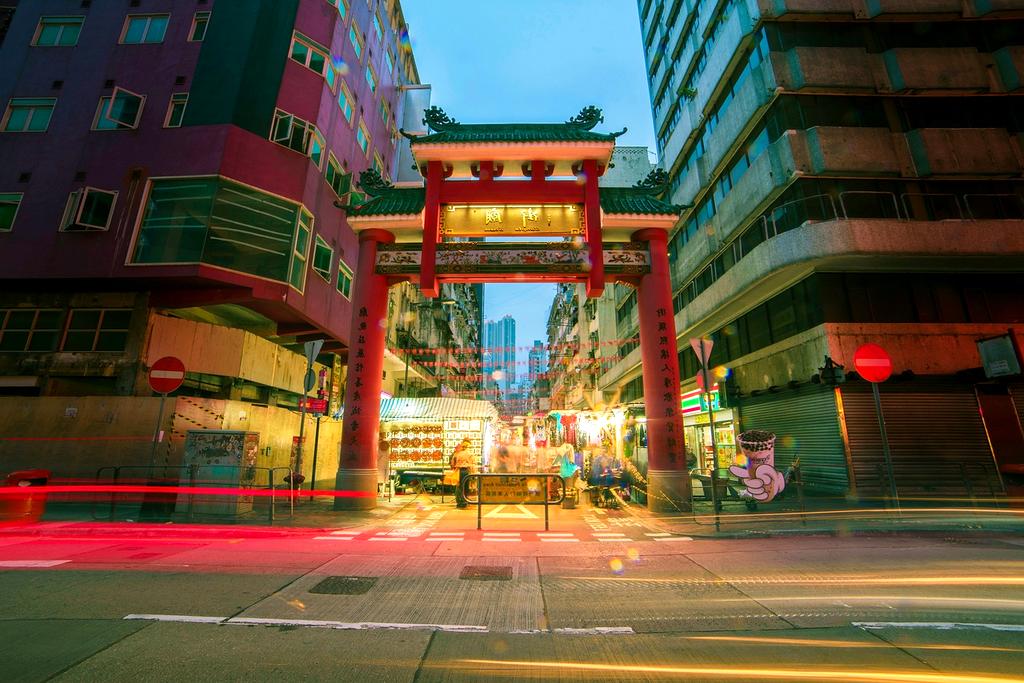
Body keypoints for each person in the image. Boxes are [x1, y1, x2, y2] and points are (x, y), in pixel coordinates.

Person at [450, 438, 473, 508]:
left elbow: (452, 463)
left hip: (458, 471)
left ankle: (459, 502)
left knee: (459, 487)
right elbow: (472, 463)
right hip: (465, 471)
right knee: (465, 487)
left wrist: (455, 467)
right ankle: (464, 501)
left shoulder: (456, 453)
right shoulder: (469, 453)